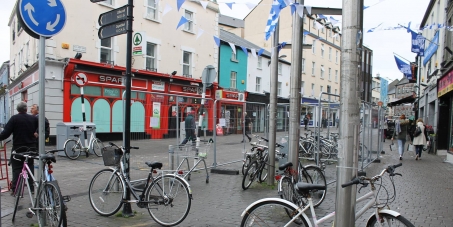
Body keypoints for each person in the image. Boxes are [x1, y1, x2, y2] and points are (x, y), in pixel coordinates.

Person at [0, 102, 38, 195]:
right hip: (31, 147)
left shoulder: (14, 119)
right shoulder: (33, 118)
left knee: (16, 168)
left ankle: (16, 189)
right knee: (30, 166)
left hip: (18, 148)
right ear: (26, 109)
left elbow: (6, 133)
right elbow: (40, 128)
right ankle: (32, 188)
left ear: (17, 110)